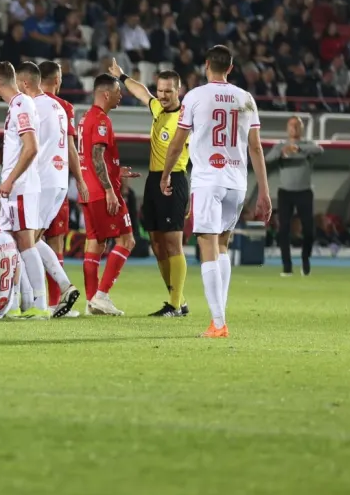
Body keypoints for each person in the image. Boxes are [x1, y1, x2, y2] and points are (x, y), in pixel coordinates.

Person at [161, 45, 272, 338]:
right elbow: (256, 147)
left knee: (207, 243)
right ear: (231, 68)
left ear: (207, 64)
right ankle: (219, 317)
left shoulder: (195, 96)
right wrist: (264, 191)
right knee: (222, 244)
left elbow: (177, 141)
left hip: (208, 179)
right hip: (237, 181)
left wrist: (166, 173)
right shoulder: (246, 98)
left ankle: (219, 323)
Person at [116, 63, 191, 317]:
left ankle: (174, 304)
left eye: (168, 91)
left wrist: (173, 179)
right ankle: (177, 298)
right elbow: (141, 94)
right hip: (154, 180)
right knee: (157, 244)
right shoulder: (157, 108)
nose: (162, 95)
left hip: (174, 179)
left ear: (178, 90)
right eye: (160, 90)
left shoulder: (185, 119)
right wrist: (123, 76)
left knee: (173, 244)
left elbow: (177, 150)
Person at [0, 61, 48, 319]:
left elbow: (31, 147)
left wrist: (10, 180)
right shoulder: (18, 105)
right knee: (12, 243)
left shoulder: (22, 104)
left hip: (21, 186)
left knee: (25, 242)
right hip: (19, 186)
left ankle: (39, 304)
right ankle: (16, 303)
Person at [25, 61, 83, 318]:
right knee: (41, 239)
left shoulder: (30, 105)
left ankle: (38, 302)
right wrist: (79, 179)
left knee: (25, 238)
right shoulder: (63, 107)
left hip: (38, 181)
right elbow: (71, 148)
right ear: (57, 79)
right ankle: (60, 292)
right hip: (60, 180)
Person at [79, 73, 141, 316]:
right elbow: (96, 156)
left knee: (95, 243)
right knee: (127, 241)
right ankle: (102, 296)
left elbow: (93, 157)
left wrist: (116, 169)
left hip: (87, 191)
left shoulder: (85, 118)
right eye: (117, 91)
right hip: (102, 192)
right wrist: (109, 189)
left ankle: (92, 301)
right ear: (106, 94)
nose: (121, 95)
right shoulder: (102, 120)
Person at [266, 116, 323, 277]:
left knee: (308, 230)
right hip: (285, 192)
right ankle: (287, 266)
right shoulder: (280, 146)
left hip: (304, 192)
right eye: (292, 126)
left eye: (297, 126)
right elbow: (266, 160)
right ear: (287, 129)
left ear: (302, 129)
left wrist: (298, 149)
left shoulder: (307, 145)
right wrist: (282, 154)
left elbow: (320, 150)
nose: (295, 129)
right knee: (283, 229)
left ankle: (305, 259)